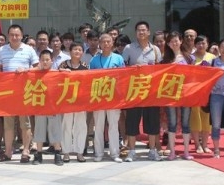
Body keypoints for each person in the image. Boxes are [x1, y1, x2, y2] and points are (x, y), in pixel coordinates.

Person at [0, 24, 39, 162]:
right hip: (7, 92)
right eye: (12, 35)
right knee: (8, 124)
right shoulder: (2, 50)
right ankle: (8, 152)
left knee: (25, 124)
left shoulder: (29, 49)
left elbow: (38, 68)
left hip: (24, 91)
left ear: (21, 36)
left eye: (17, 35)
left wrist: (26, 70)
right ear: (8, 36)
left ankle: (26, 151)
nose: (14, 37)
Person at [122, 21, 162, 162]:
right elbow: (122, 68)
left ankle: (152, 150)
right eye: (139, 30)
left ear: (149, 32)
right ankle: (132, 151)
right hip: (134, 90)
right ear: (136, 33)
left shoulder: (155, 50)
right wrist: (133, 68)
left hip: (151, 91)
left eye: (144, 30)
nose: (141, 32)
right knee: (132, 121)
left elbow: (160, 69)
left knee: (152, 121)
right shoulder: (129, 48)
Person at [89, 33, 125, 163]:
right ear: (99, 44)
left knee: (113, 126)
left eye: (108, 41)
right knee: (98, 126)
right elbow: (90, 78)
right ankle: (98, 153)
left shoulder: (118, 58)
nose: (106, 44)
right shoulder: (94, 60)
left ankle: (114, 153)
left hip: (113, 96)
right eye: (103, 42)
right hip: (98, 96)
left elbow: (124, 76)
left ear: (112, 43)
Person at [161, 31, 194, 160]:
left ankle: (186, 151)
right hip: (170, 94)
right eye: (171, 41)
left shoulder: (188, 58)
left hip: (186, 94)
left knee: (186, 122)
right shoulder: (165, 60)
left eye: (176, 40)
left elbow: (194, 75)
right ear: (168, 44)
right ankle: (172, 152)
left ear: (181, 41)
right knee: (172, 123)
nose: (174, 43)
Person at [30, 50, 63, 166]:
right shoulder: (34, 74)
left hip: (54, 107)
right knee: (39, 129)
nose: (45, 62)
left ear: (52, 61)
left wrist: (65, 72)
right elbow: (25, 73)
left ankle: (57, 153)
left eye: (47, 60)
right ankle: (38, 154)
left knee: (55, 129)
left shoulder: (57, 73)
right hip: (40, 106)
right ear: (39, 61)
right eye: (43, 60)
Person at [59, 43, 88, 162]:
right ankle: (66, 152)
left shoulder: (85, 66)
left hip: (81, 101)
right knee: (66, 125)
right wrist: (61, 71)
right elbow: (57, 79)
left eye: (80, 49)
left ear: (82, 52)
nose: (77, 51)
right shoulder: (63, 65)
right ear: (70, 51)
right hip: (67, 100)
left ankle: (79, 152)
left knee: (81, 126)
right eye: (75, 49)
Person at [190, 35, 215, 154]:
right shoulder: (190, 57)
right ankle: (197, 144)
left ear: (207, 44)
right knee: (195, 117)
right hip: (194, 91)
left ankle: (205, 144)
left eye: (203, 43)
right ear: (195, 45)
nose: (201, 45)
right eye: (198, 43)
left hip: (208, 92)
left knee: (207, 118)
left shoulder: (212, 57)